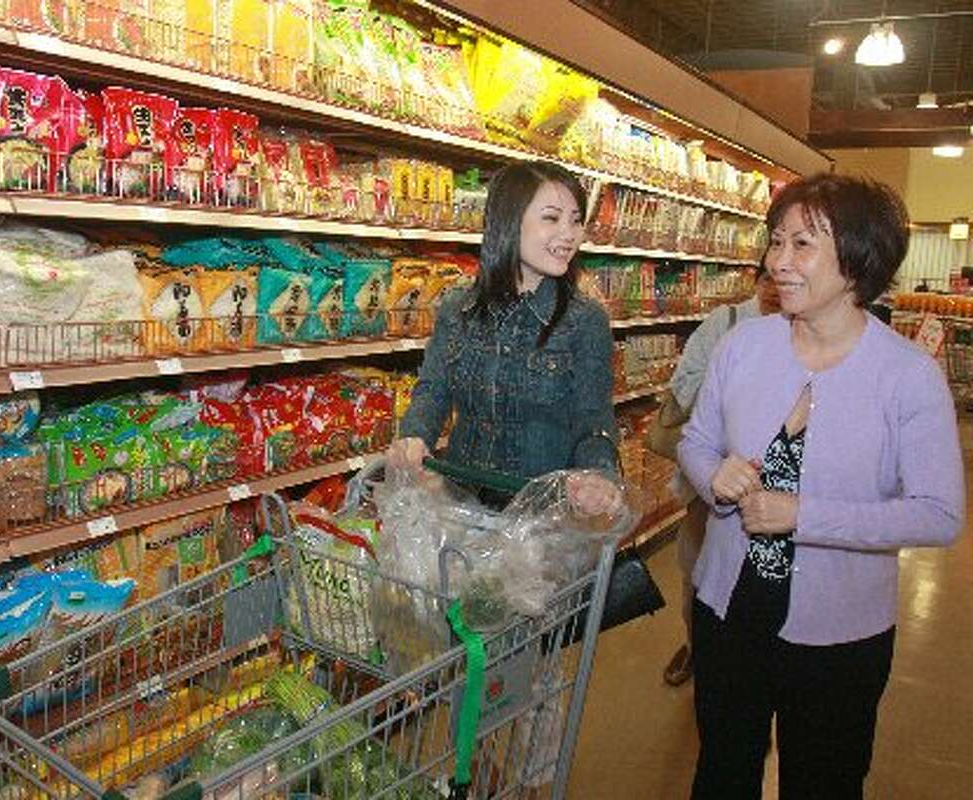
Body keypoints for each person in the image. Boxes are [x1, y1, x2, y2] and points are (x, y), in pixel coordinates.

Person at [678, 173, 964, 798]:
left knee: (824, 781)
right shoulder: (742, 346)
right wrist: (712, 476)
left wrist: (804, 514)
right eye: (775, 242)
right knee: (723, 770)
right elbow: (695, 443)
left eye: (801, 244)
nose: (779, 262)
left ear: (858, 258)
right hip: (729, 611)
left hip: (842, 634)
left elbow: (939, 514)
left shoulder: (908, 376)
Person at [389, 159, 621, 514]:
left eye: (576, 220)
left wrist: (599, 475)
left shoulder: (585, 320)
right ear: (509, 222)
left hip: (541, 521)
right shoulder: (458, 309)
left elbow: (593, 419)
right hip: (459, 507)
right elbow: (433, 390)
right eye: (551, 217)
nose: (570, 233)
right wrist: (415, 436)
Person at [661, 269, 781, 687]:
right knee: (697, 568)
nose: (776, 287)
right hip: (711, 478)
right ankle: (697, 646)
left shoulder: (808, 331)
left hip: (779, 490)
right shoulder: (727, 322)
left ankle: (753, 667)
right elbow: (684, 381)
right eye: (768, 277)